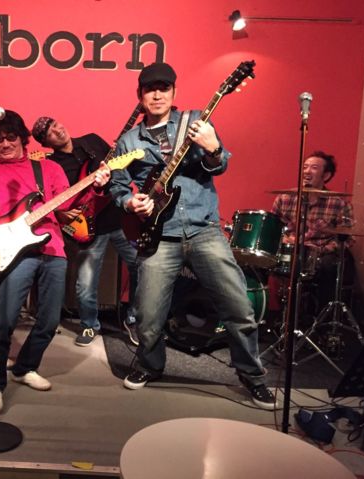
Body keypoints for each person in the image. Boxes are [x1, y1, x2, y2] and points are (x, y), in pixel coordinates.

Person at [109, 62, 278, 410]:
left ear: (174, 92)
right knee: (148, 315)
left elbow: (220, 164)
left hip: (204, 229)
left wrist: (213, 148)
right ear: (140, 95)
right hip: (159, 235)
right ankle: (150, 365)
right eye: (150, 89)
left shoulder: (196, 121)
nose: (158, 94)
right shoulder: (129, 141)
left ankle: (253, 376)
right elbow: (118, 185)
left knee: (238, 308)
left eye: (164, 88)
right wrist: (129, 201)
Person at [0, 110, 110, 413]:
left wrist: (96, 187)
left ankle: (25, 367)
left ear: (23, 138)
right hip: (12, 252)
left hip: (52, 249)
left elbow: (69, 204)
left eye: (10, 137)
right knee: (4, 322)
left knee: (50, 321)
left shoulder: (49, 169)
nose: (4, 144)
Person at [31, 117, 139, 347]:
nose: (58, 130)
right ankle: (90, 325)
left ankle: (134, 317)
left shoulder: (92, 141)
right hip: (89, 227)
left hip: (119, 218)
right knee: (85, 285)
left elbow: (118, 172)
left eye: (56, 124)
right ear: (46, 143)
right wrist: (62, 212)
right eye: (50, 133)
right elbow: (56, 198)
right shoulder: (52, 165)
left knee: (143, 267)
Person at [271, 151, 355, 310]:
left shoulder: (339, 203)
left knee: (329, 265)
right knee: (260, 259)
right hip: (292, 250)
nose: (307, 171)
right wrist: (284, 239)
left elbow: (348, 238)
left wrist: (321, 250)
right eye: (305, 167)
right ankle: (275, 313)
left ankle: (323, 317)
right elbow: (273, 227)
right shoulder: (285, 198)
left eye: (314, 168)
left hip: (321, 253)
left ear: (326, 175)